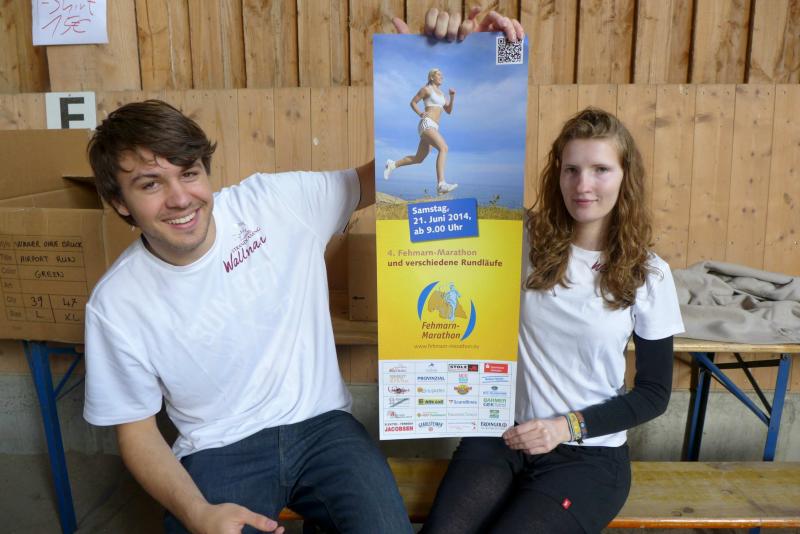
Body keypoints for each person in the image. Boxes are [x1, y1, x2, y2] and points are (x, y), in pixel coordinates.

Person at [81, 9, 524, 534]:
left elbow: (376, 184)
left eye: (190, 173)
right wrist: (198, 512)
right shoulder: (115, 303)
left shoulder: (275, 202)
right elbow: (136, 432)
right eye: (151, 184)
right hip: (218, 448)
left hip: (324, 429)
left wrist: (463, 59)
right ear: (120, 202)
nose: (181, 198)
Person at [422, 108, 685, 534]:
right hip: (504, 435)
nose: (583, 185)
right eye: (571, 169)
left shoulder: (649, 273)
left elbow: (654, 394)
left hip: (587, 456)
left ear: (625, 176)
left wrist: (565, 427)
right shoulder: (523, 239)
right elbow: (438, 220)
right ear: (557, 174)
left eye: (600, 169)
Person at [383, 68, 457, 195]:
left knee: (419, 158)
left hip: (434, 127)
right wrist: (420, 113)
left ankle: (392, 164)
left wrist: (452, 97)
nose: (441, 77)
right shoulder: (426, 89)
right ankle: (441, 184)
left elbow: (449, 111)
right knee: (444, 148)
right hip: (427, 124)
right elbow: (413, 102)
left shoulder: (442, 94)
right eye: (439, 75)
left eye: (442, 75)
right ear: (432, 77)